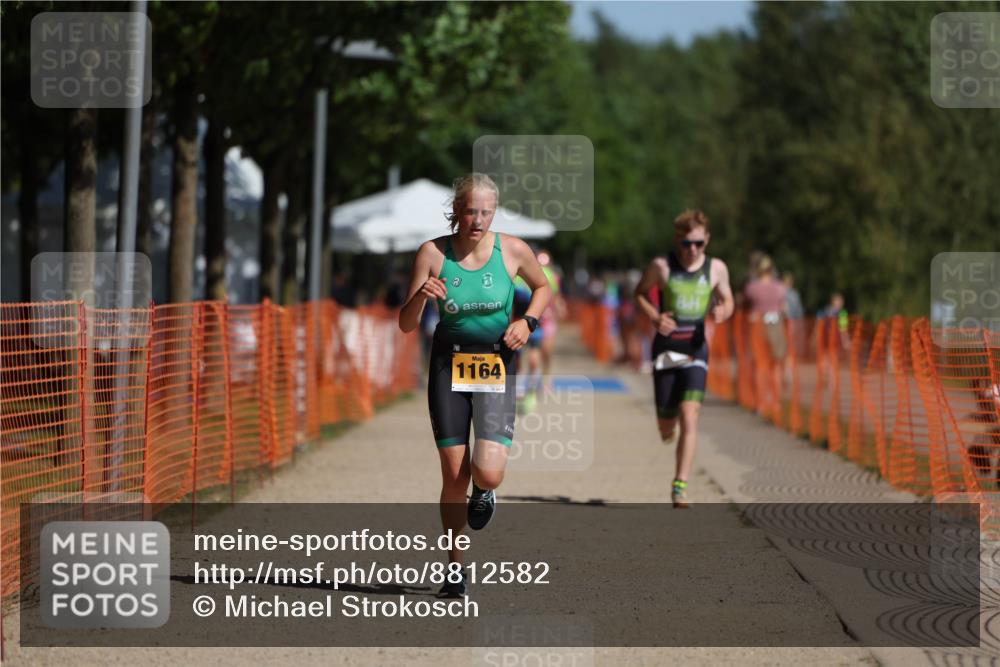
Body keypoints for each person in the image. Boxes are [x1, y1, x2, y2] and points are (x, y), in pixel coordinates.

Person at [398, 173, 551, 597]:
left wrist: (528, 321)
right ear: (457, 212)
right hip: (448, 365)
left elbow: (543, 287)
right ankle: (455, 569)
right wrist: (420, 297)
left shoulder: (513, 250)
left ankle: (486, 490)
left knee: (487, 472)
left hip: (494, 364)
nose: (478, 220)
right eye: (470, 211)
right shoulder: (432, 253)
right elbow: (406, 325)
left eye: (486, 212)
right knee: (453, 473)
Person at [634, 209, 734, 508]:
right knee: (667, 427)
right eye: (686, 244)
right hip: (666, 351)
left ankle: (680, 485)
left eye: (699, 244)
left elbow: (728, 300)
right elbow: (639, 293)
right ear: (677, 241)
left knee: (690, 416)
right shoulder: (662, 266)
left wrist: (723, 311)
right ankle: (667, 423)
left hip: (695, 350)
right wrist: (654, 316)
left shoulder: (716, 269)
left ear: (707, 241)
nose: (693, 250)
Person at [743, 255, 788, 419]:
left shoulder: (752, 287)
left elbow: (746, 303)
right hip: (776, 326)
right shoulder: (780, 288)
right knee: (775, 366)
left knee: (759, 367)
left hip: (758, 328)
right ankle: (776, 403)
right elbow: (784, 307)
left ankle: (760, 403)